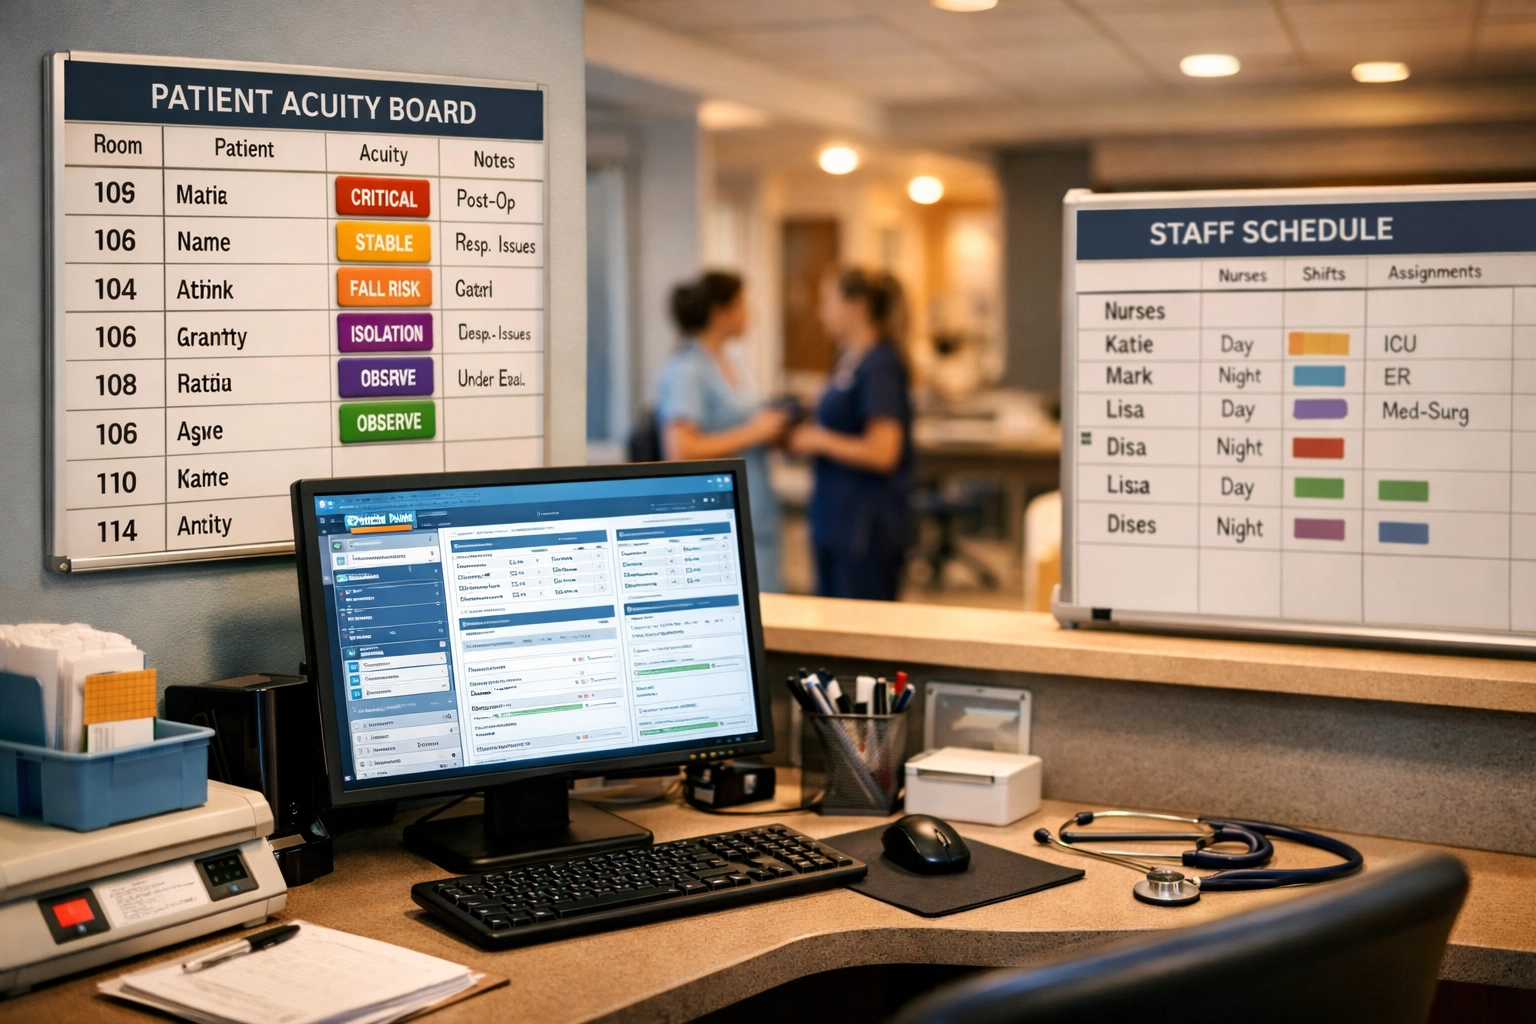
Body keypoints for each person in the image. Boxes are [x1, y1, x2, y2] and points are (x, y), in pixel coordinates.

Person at [653, 271, 789, 592]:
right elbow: (680, 449)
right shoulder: (687, 369)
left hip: (757, 507)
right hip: (715, 515)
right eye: (742, 305)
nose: (750, 315)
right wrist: (756, 432)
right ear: (719, 312)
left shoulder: (733, 362)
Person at [788, 268, 914, 601]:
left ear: (856, 306)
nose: (821, 313)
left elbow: (883, 451)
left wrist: (818, 439)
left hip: (865, 525)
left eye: (827, 301)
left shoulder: (880, 365)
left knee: (863, 629)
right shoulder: (846, 360)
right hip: (834, 515)